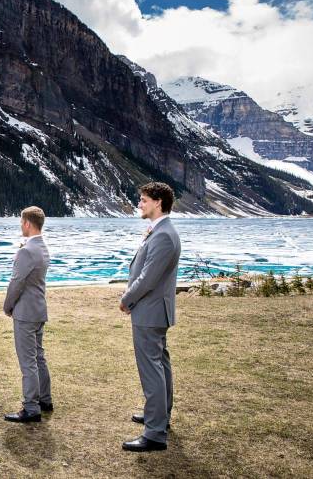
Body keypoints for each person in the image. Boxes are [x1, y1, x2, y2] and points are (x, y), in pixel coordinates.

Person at [120, 182, 181, 452]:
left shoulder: (164, 235)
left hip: (150, 310)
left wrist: (126, 299)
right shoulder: (161, 231)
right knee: (160, 365)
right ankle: (159, 415)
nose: (139, 204)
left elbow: (148, 278)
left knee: (151, 369)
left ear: (158, 202)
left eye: (143, 200)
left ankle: (155, 433)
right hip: (154, 310)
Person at [3, 206, 52, 423]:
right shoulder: (42, 247)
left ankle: (31, 407)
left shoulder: (26, 251)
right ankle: (45, 398)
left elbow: (17, 283)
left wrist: (7, 306)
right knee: (39, 356)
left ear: (27, 224)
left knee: (28, 361)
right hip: (39, 308)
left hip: (25, 312)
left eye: (21, 222)